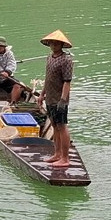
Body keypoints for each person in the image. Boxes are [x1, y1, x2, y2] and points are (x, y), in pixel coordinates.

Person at [37, 29, 74, 168]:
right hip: (50, 97)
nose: (54, 45)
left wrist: (63, 100)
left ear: (61, 45)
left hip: (60, 99)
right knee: (54, 126)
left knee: (62, 126)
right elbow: (48, 79)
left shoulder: (66, 60)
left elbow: (67, 82)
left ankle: (65, 158)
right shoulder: (50, 58)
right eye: (52, 43)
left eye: (57, 43)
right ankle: (57, 153)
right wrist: (42, 94)